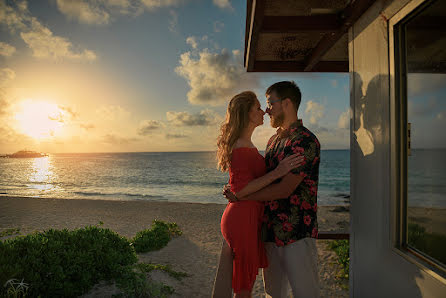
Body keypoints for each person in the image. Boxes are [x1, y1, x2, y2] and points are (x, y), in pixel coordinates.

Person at [222, 81, 321, 298]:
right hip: (269, 232)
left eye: (270, 103)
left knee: (306, 293)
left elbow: (284, 189)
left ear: (286, 103)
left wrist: (240, 196)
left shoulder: (306, 141)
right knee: (273, 294)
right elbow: (259, 178)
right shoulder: (273, 141)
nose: (267, 110)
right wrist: (238, 190)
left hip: (296, 234)